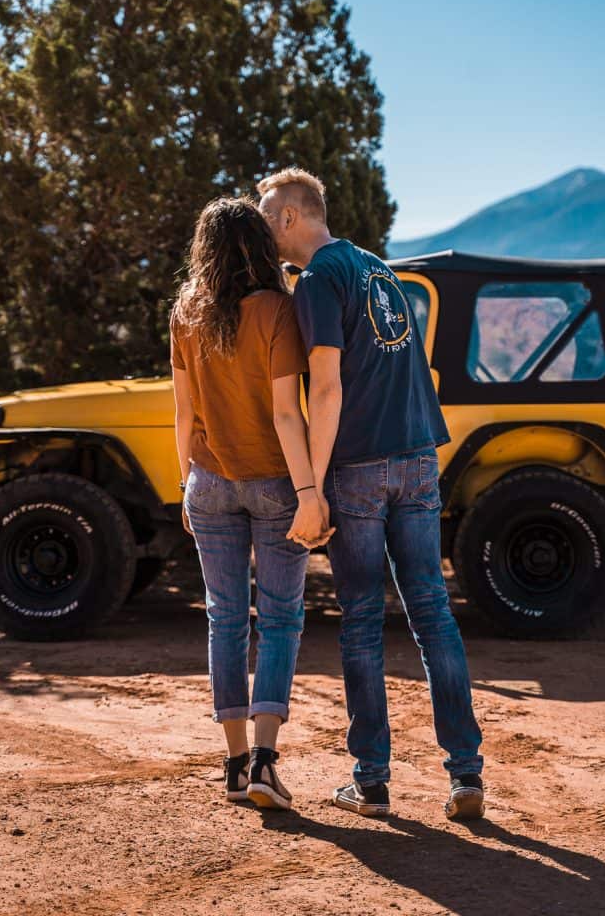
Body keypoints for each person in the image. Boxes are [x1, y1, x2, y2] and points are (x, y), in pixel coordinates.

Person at [258, 168, 484, 820]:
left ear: (293, 217)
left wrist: (315, 488)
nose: (265, 221)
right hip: (417, 458)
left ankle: (372, 782)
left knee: (360, 624)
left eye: (270, 210)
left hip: (357, 467)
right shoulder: (377, 268)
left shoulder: (320, 280)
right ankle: (465, 776)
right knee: (432, 615)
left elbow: (324, 388)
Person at [170, 197, 332, 811]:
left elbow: (184, 413)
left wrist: (184, 483)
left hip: (207, 480)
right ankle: (266, 761)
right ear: (261, 248)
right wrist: (309, 493)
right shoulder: (276, 310)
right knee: (282, 618)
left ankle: (234, 764)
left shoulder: (187, 312)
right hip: (272, 482)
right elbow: (287, 412)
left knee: (225, 618)